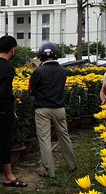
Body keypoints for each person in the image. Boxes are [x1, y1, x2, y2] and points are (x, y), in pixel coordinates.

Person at [0, 35, 27, 187]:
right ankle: (8, 176)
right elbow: (4, 90)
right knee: (5, 141)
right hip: (4, 108)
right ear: (12, 49)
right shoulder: (9, 68)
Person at [29, 42, 76, 178]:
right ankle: (72, 165)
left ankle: (50, 171)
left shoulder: (38, 71)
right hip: (59, 108)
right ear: (56, 55)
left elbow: (31, 90)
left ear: (41, 56)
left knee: (45, 139)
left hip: (43, 109)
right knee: (64, 136)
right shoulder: (63, 71)